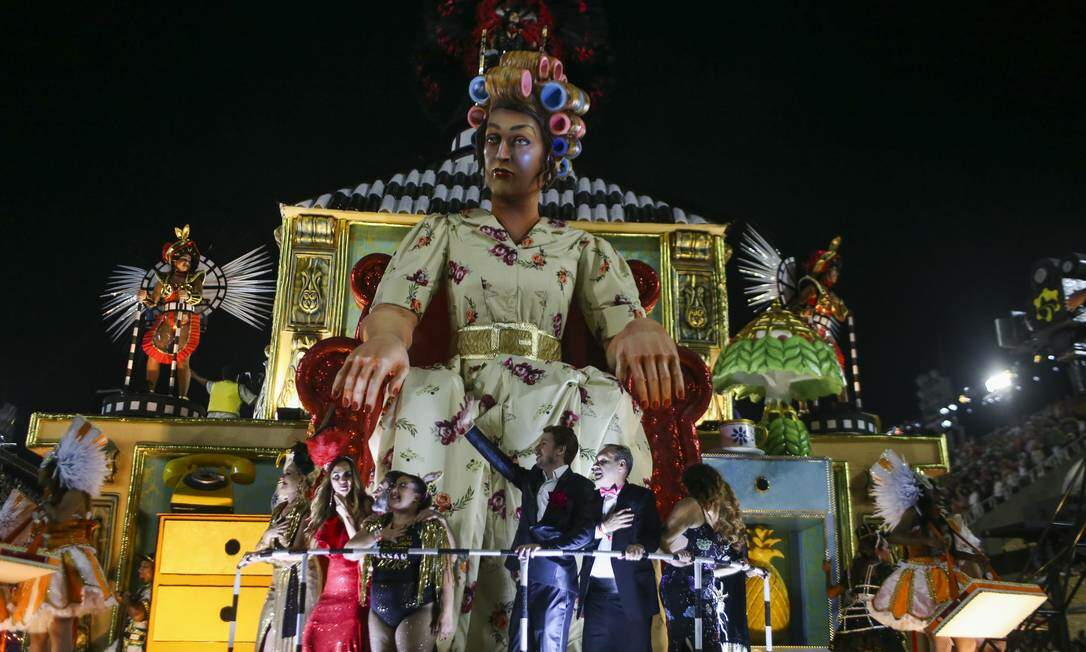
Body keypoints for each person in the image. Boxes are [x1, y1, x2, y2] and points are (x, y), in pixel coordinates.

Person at [330, 48, 683, 648]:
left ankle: (575, 598)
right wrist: (387, 338)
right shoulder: (445, 229)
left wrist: (640, 332)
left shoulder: (579, 246)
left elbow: (621, 319)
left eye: (518, 140)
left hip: (548, 388)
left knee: (601, 401)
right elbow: (398, 304)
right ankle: (433, 595)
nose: (500, 152)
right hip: (467, 381)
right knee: (423, 389)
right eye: (492, 140)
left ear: (549, 155)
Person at [463, 419, 595, 651]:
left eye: (543, 443)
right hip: (525, 575)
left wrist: (544, 548)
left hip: (556, 579)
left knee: (548, 645)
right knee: (518, 644)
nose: (536, 449)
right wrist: (470, 430)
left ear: (561, 450)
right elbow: (503, 464)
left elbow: (585, 535)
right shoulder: (532, 480)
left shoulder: (581, 486)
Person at [5, 417, 117, 652]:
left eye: (47, 467)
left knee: (60, 627)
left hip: (63, 565)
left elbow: (58, 518)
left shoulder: (76, 495)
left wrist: (41, 510)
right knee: (38, 631)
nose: (41, 471)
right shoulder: (54, 496)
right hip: (45, 563)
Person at [867, 450, 984, 652]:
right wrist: (926, 541)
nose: (938, 493)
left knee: (959, 626)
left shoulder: (942, 518)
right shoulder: (914, 513)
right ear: (922, 493)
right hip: (921, 576)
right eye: (933, 490)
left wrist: (973, 557)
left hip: (946, 574)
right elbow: (894, 536)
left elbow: (953, 552)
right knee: (939, 631)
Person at [348, 473, 457, 651]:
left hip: (417, 610)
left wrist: (447, 613)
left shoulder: (429, 525)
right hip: (378, 613)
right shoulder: (377, 524)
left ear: (417, 497)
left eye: (403, 486)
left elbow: (448, 564)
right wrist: (380, 535)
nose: (394, 490)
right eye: (393, 486)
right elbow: (349, 553)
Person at [577, 444, 661, 652]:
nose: (596, 465)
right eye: (596, 461)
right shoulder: (589, 499)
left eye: (603, 461)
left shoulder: (641, 497)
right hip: (596, 597)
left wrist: (640, 547)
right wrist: (603, 527)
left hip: (631, 594)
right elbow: (578, 537)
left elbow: (653, 535)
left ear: (622, 465)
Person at [660, 463, 751, 652]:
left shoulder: (714, 515)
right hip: (682, 588)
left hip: (705, 590)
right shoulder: (690, 506)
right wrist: (673, 558)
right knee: (689, 642)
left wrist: (736, 566)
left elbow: (708, 571)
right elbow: (660, 539)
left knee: (709, 643)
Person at [254, 443, 320, 652]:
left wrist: (269, 554)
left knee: (292, 640)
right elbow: (259, 550)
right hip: (277, 585)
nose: (281, 478)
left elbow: (299, 554)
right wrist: (267, 536)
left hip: (298, 584)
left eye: (288, 473)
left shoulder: (307, 510)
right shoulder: (279, 510)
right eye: (283, 473)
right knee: (265, 635)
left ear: (302, 479)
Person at [301, 456, 371, 652]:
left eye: (348, 475)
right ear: (329, 482)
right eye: (336, 476)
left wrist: (347, 517)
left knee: (348, 640)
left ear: (355, 478)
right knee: (310, 634)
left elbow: (357, 553)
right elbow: (311, 547)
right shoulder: (326, 513)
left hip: (356, 594)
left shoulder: (367, 506)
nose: (343, 481)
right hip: (330, 594)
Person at [138, 225, 204, 398]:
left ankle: (182, 396)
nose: (186, 263)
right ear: (174, 260)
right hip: (166, 319)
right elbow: (153, 303)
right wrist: (144, 298)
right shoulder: (163, 279)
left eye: (189, 261)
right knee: (153, 353)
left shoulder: (195, 278)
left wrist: (188, 295)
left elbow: (198, 298)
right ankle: (150, 390)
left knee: (182, 359)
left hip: (186, 320)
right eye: (183, 259)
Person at [191, 366, 258, 418]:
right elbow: (255, 401)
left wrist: (193, 375)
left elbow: (204, 382)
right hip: (229, 420)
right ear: (236, 377)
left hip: (211, 420)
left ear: (223, 377)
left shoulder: (214, 386)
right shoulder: (239, 387)